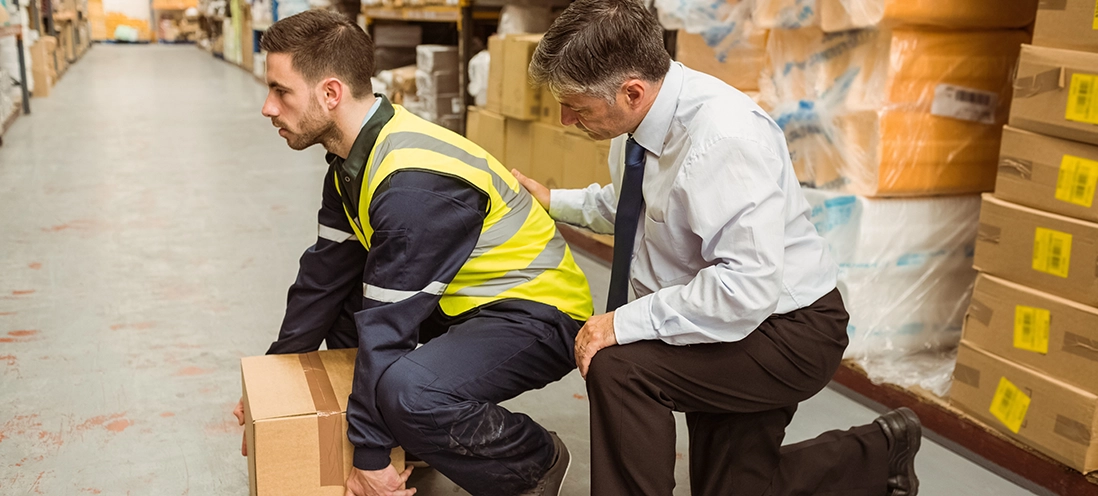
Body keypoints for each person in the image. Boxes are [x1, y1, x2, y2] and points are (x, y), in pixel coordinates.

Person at [512, 0, 923, 494]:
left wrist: (621, 323)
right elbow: (632, 209)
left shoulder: (724, 139)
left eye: (576, 106)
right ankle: (881, 452)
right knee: (729, 488)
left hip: (786, 329)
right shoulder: (640, 123)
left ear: (631, 91)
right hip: (722, 317)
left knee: (619, 366)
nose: (565, 120)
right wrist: (552, 201)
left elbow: (744, 287)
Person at [230, 10, 593, 496]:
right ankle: (418, 436)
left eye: (281, 90)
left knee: (407, 389)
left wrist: (370, 457)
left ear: (330, 93)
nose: (267, 107)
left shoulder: (412, 185)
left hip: (536, 312)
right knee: (342, 309)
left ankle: (532, 459)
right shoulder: (351, 161)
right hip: (461, 300)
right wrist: (271, 384)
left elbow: (388, 328)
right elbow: (322, 279)